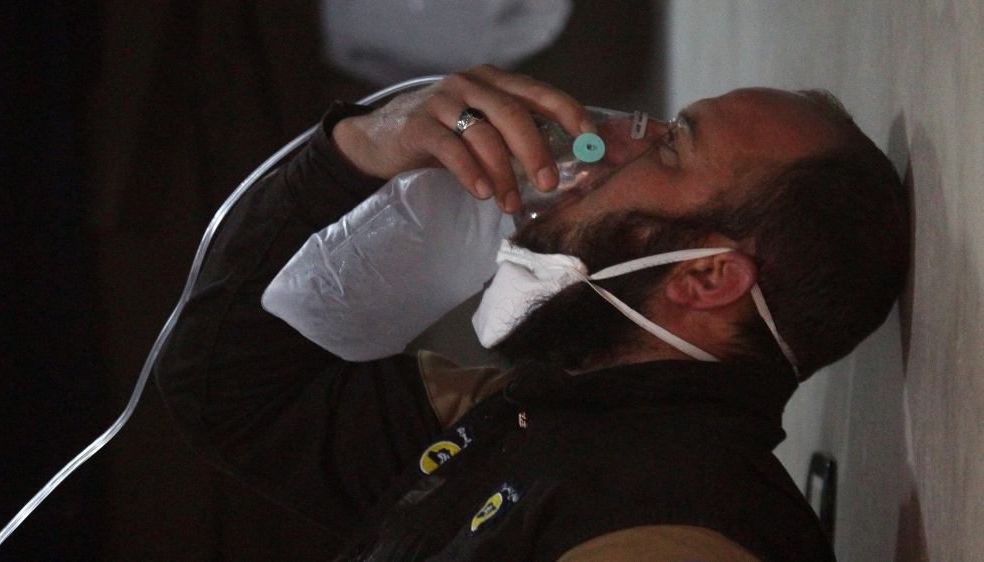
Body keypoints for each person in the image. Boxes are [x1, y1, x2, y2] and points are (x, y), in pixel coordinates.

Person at [154, 65, 909, 561]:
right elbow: (229, 392)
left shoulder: (680, 530)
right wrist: (358, 149)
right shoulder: (529, 414)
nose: (608, 148)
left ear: (707, 277)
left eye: (672, 147)